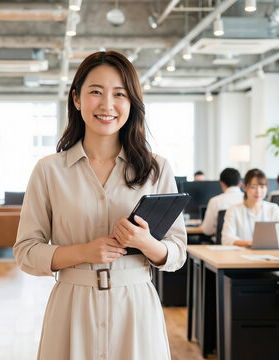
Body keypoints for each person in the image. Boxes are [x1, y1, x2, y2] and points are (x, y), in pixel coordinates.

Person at [13, 51, 186, 360]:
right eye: (96, 92)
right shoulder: (49, 170)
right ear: (77, 99)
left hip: (135, 308)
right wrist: (84, 252)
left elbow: (177, 252)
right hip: (71, 307)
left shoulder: (157, 169)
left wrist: (146, 243)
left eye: (119, 94)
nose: (107, 105)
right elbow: (26, 252)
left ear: (131, 102)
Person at [221, 168, 279, 247]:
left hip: (269, 255)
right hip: (240, 256)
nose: (258, 191)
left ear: (267, 188)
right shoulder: (233, 210)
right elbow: (226, 239)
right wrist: (250, 244)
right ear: (244, 187)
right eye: (253, 187)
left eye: (262, 187)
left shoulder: (274, 209)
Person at [200, 167, 243, 237]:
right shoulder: (248, 200)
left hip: (221, 245)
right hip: (244, 243)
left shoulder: (215, 201)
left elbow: (207, 231)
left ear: (222, 183)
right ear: (240, 183)